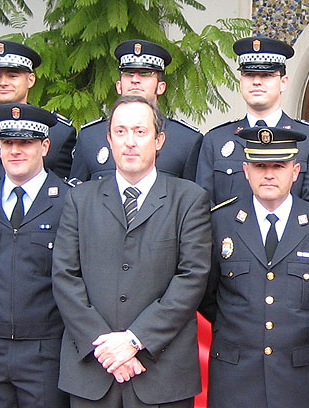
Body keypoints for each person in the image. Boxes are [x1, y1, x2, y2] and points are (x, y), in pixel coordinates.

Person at [52, 95, 211, 407]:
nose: (130, 142)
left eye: (140, 132)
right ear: (109, 139)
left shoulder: (189, 200)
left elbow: (191, 278)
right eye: (121, 132)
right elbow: (65, 277)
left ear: (159, 140)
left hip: (161, 373)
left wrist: (134, 340)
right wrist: (106, 347)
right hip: (93, 369)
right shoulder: (79, 200)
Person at [200, 126, 309, 408]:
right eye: (260, 165)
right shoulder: (219, 222)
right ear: (246, 170)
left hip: (297, 378)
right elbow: (208, 297)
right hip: (234, 376)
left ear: (295, 171)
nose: (269, 174)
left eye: (279, 165)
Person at [0, 103, 71, 408]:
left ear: (45, 146)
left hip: (45, 351)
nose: (15, 151)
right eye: (8, 142)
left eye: (25, 142)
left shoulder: (70, 202)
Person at [196, 36, 309, 205]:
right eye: (249, 74)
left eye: (266, 75)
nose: (257, 82)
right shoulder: (215, 140)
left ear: (283, 82)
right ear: (241, 82)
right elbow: (203, 209)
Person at [0, 40, 76, 200]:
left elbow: (68, 195)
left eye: (12, 75)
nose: (3, 83)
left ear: (31, 80)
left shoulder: (58, 132)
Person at [69, 39, 202, 182]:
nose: (135, 80)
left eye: (145, 73)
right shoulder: (90, 137)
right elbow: (78, 194)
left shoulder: (186, 140)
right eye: (129, 73)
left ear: (161, 87)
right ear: (118, 85)